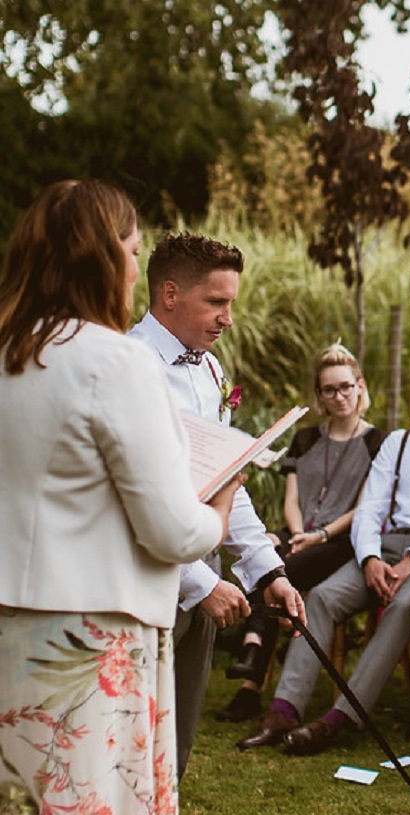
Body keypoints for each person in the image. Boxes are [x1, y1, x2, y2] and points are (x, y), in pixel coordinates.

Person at [0, 180, 240, 815]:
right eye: (133, 252)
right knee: (83, 784)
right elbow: (171, 528)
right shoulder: (116, 361)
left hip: (13, 606)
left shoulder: (10, 346)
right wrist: (223, 504)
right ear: (106, 257)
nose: (136, 266)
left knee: (24, 785)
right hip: (93, 614)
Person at [240, 350, 410, 754]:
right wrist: (371, 557)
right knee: (322, 597)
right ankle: (282, 710)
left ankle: (340, 719)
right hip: (382, 547)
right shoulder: (399, 440)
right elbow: (371, 507)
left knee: (402, 605)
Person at [129, 232, 306, 781]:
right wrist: (199, 585)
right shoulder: (129, 365)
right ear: (170, 293)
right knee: (132, 740)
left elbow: (229, 480)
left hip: (204, 570)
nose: (228, 317)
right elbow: (127, 497)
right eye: (217, 302)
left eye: (231, 302)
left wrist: (265, 571)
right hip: (145, 576)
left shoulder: (209, 371)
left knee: (176, 743)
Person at [217, 344, 383, 723]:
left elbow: (365, 506)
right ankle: (251, 675)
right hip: (298, 534)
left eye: (345, 387)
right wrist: (296, 533)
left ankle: (251, 661)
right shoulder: (306, 439)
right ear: (319, 395)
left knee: (278, 569)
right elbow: (292, 499)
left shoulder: (378, 442)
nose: (339, 396)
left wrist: (319, 535)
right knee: (262, 555)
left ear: (360, 386)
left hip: (338, 541)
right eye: (329, 390)